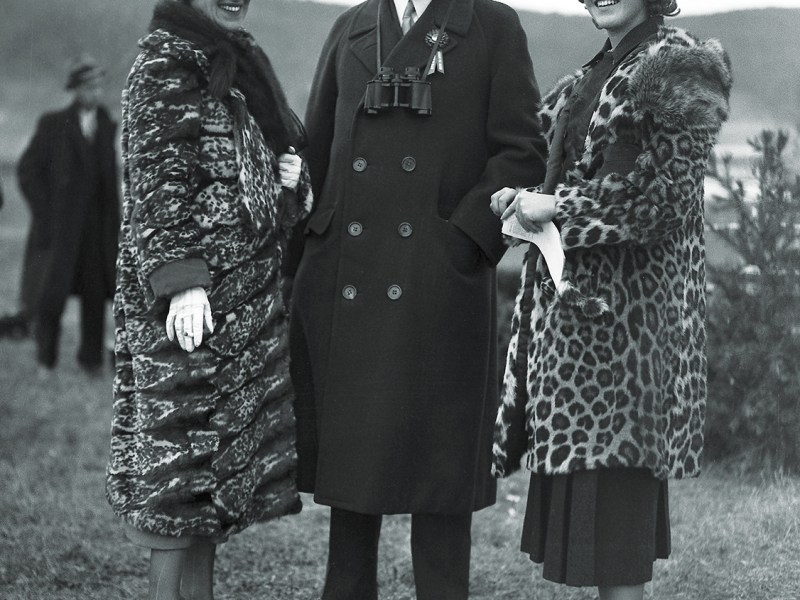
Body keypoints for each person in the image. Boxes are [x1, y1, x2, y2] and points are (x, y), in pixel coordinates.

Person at [290, 0, 547, 598]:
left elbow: (520, 151)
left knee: (440, 484)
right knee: (353, 482)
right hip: (347, 279)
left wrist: (461, 242)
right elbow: (316, 148)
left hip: (439, 287)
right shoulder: (349, 27)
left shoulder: (493, 25)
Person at [490, 2, 732, 600]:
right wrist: (519, 197)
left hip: (632, 345)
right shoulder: (586, 76)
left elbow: (661, 204)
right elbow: (553, 168)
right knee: (591, 540)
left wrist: (556, 209)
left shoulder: (679, 65)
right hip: (577, 343)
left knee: (617, 541)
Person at [105, 1, 312, 598]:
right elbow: (157, 186)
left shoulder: (241, 63)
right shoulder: (163, 67)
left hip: (241, 314)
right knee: (173, 476)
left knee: (211, 489)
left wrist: (286, 183)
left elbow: (252, 190)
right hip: (183, 314)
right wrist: (183, 283)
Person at [15, 56, 121, 370]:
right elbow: (27, 170)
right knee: (51, 297)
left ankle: (90, 362)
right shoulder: (53, 124)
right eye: (89, 87)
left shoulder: (105, 124)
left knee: (94, 296)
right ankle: (45, 359)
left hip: (95, 231)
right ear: (74, 89)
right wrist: (44, 212)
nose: (95, 92)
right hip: (60, 229)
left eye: (99, 86)